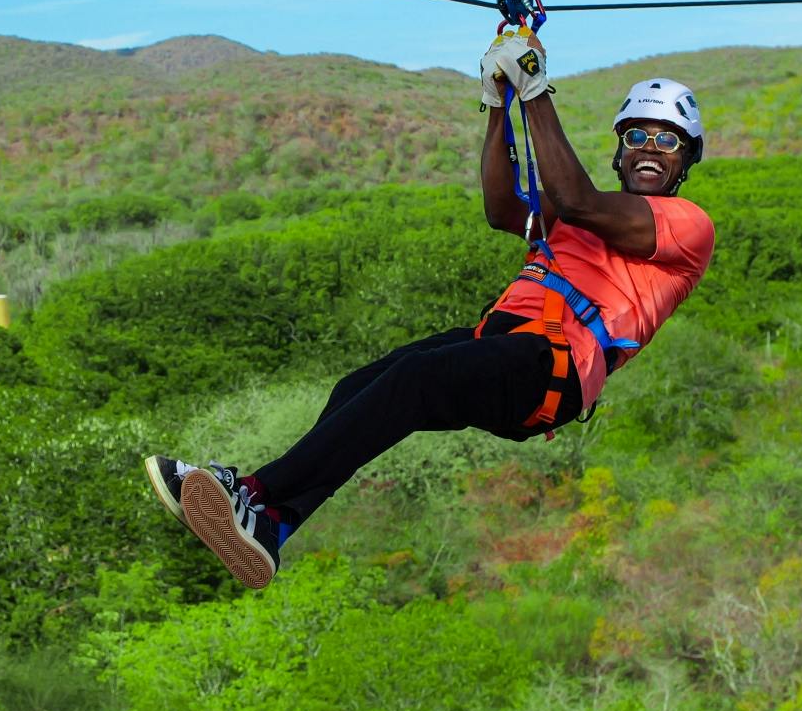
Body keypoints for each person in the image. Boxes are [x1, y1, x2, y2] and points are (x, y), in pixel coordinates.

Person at [145, 30, 716, 589]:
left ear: (686, 160)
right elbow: (502, 208)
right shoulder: (578, 214)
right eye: (637, 135)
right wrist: (499, 102)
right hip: (503, 342)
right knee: (361, 386)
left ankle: (254, 493)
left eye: (667, 142)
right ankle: (275, 524)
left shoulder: (686, 226)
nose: (650, 148)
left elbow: (577, 199)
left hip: (556, 365)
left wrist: (535, 87)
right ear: (619, 151)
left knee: (416, 379)